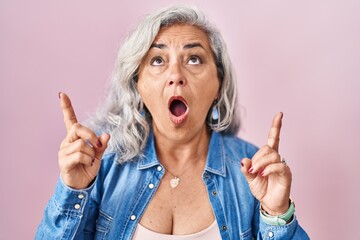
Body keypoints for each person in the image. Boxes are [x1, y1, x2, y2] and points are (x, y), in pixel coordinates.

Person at [36, 5, 309, 240]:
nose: (175, 75)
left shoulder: (253, 170)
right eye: (157, 60)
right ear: (138, 84)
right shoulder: (102, 166)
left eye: (193, 58)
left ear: (218, 85)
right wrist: (72, 191)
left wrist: (276, 214)